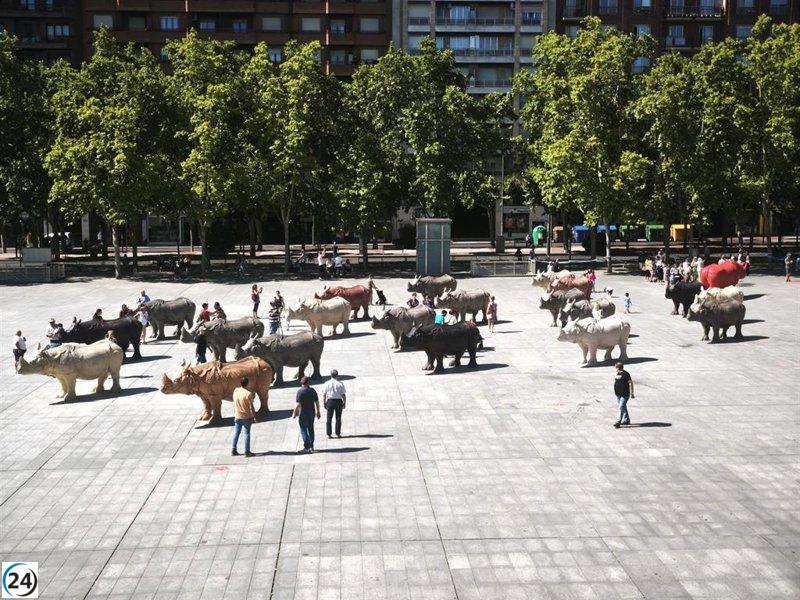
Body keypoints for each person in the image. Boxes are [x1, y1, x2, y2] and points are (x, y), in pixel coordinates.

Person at [293, 377, 320, 453]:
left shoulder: (300, 392)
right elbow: (317, 402)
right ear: (308, 383)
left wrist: (294, 413)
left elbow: (298, 404)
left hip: (303, 413)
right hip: (311, 412)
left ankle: (307, 447)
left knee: (303, 430)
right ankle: (311, 446)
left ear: (301, 383)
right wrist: (318, 411)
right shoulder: (312, 390)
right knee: (311, 428)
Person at [231, 377, 256, 457]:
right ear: (247, 383)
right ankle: (247, 452)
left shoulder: (236, 390)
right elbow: (251, 407)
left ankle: (233, 449)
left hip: (237, 416)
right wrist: (255, 417)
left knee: (236, 433)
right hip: (247, 417)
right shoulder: (248, 394)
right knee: (246, 433)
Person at [323, 369, 347, 438]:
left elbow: (324, 394)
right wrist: (344, 403)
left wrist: (324, 402)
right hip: (338, 401)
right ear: (337, 375)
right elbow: (343, 395)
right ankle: (338, 433)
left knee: (329, 418)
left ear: (331, 375)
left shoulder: (327, 383)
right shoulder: (340, 383)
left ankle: (329, 434)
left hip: (330, 401)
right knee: (338, 418)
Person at [613, 362, 635, 428]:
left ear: (617, 367)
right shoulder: (617, 373)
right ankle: (626, 420)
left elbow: (631, 383)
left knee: (620, 407)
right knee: (623, 407)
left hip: (624, 394)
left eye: (615, 367)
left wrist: (632, 393)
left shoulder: (626, 374)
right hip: (618, 394)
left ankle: (618, 421)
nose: (615, 369)